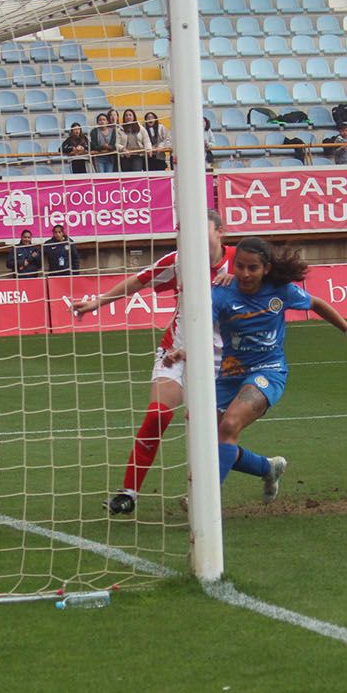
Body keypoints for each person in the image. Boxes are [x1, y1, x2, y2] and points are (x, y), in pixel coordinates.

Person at [71, 211, 236, 515]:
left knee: (217, 435)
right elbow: (139, 281)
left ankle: (265, 468)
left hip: (221, 362)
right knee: (157, 415)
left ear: (220, 233)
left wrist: (242, 277)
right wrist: (96, 302)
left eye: (201, 230)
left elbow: (275, 284)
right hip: (176, 350)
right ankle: (128, 493)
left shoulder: (243, 262)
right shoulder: (179, 261)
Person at [201, 238, 347, 504]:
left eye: (253, 268)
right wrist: (185, 350)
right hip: (230, 374)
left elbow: (316, 304)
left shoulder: (280, 291)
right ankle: (267, 468)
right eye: (240, 266)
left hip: (268, 371)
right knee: (212, 444)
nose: (245, 274)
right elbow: (201, 327)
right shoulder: (221, 293)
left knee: (230, 425)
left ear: (266, 269)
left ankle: (205, 501)